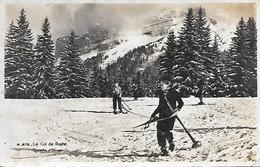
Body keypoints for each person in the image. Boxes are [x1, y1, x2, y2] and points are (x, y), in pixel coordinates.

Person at [150, 79, 184, 156]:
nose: (161, 86)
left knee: (164, 130)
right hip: (162, 115)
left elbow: (181, 103)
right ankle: (168, 145)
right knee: (161, 130)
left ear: (168, 85)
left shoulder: (175, 93)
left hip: (171, 116)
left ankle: (165, 148)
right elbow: (160, 106)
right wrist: (153, 114)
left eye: (162, 84)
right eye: (160, 84)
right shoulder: (161, 94)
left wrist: (177, 109)